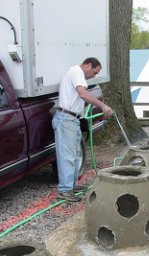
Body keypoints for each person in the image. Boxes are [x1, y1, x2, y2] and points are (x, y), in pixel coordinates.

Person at [52, 57, 113, 202]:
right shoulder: (76, 71)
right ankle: (65, 190)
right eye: (94, 72)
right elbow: (83, 94)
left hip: (72, 119)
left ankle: (71, 186)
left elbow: (80, 98)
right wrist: (103, 106)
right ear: (88, 65)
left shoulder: (76, 74)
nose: (94, 76)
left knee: (74, 155)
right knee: (67, 156)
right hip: (66, 119)